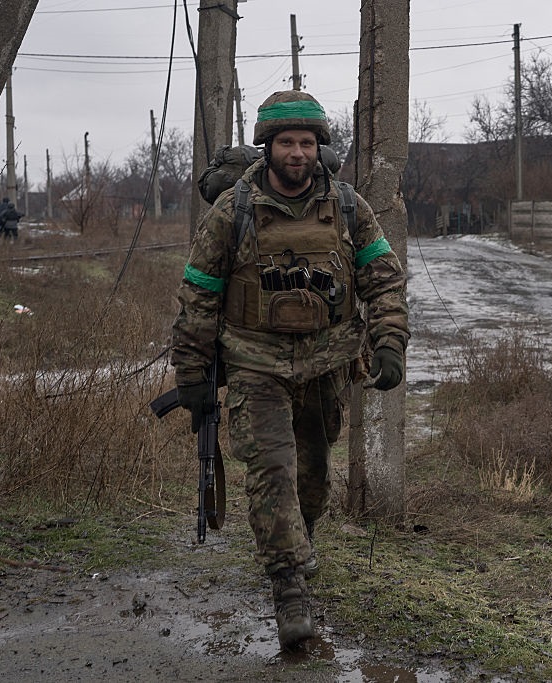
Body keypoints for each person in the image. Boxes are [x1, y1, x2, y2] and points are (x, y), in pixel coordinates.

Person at [168, 90, 409, 649]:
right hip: (255, 364)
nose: (296, 153)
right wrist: (191, 374)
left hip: (326, 366)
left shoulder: (347, 207)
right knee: (272, 471)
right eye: (286, 143)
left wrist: (390, 341)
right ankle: (289, 587)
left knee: (313, 480)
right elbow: (199, 294)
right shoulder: (233, 211)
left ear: (318, 147)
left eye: (305, 143)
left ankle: (300, 542)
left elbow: (383, 280)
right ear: (267, 147)